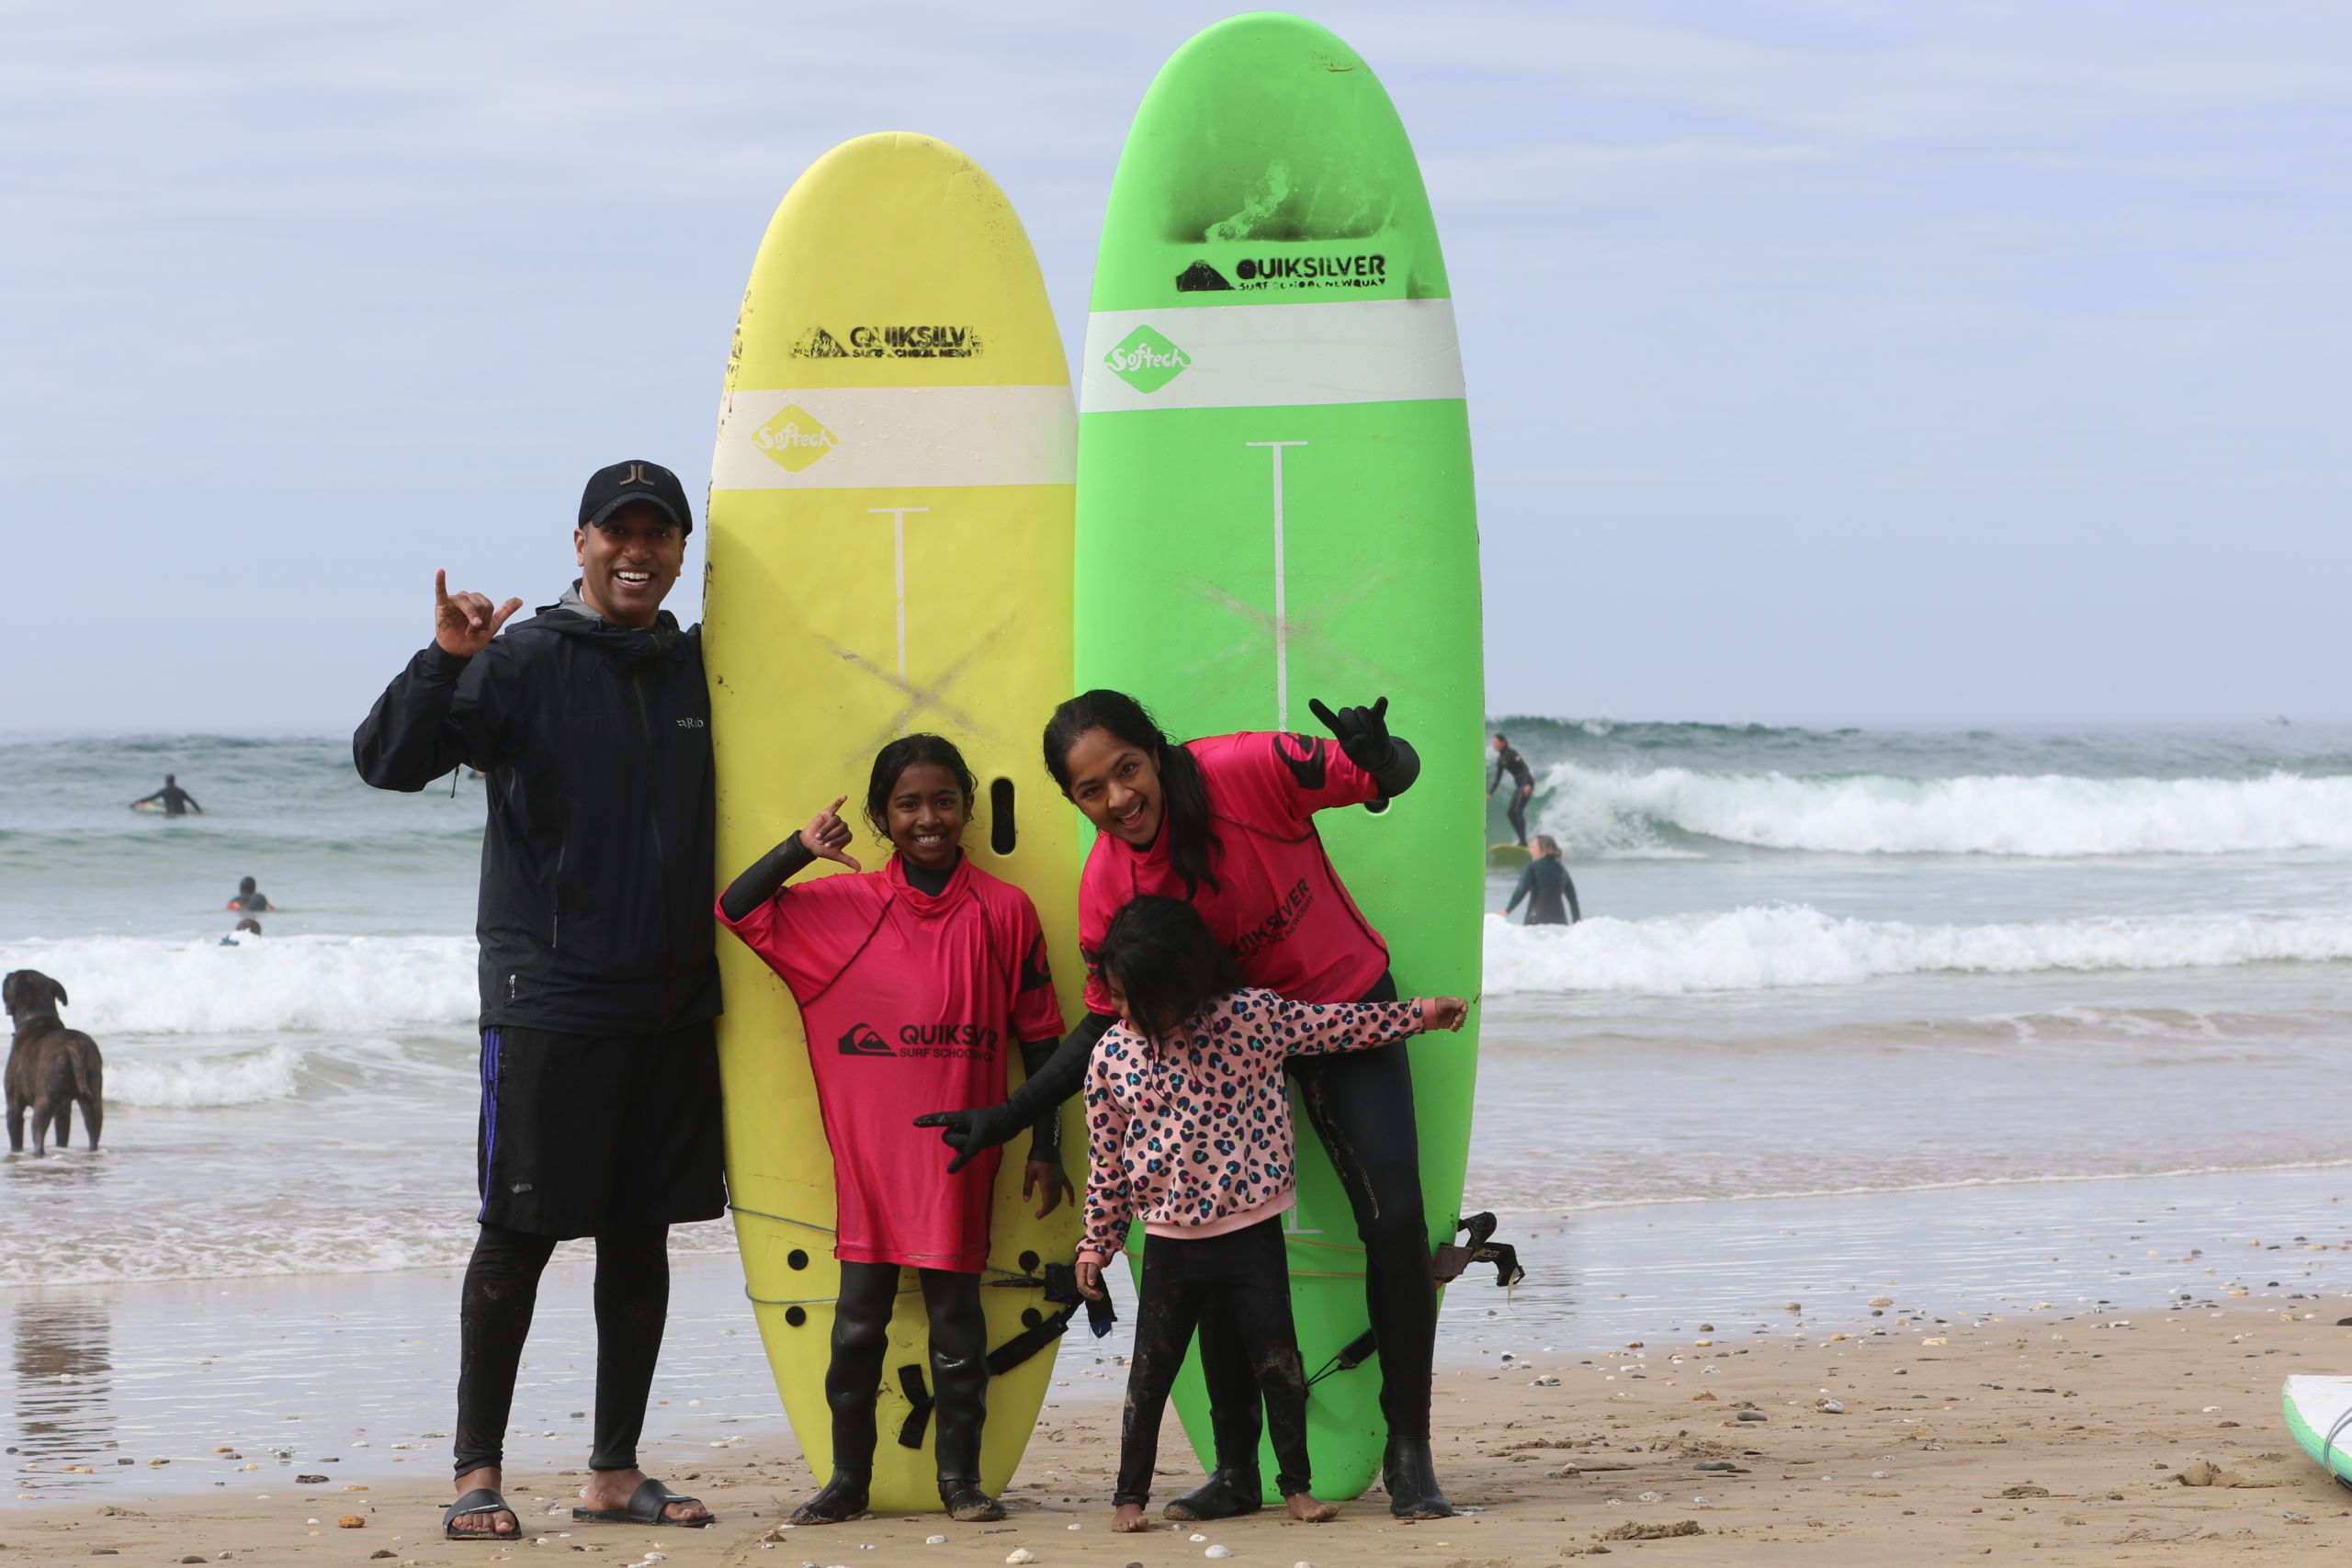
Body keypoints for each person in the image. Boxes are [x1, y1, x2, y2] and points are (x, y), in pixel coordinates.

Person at [916, 690, 1464, 1519]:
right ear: (1074, 800)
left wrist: (1379, 755)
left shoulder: (1247, 769)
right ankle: (1238, 1469)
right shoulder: (1105, 885)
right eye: (1091, 791)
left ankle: (1409, 1445)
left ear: (1156, 751)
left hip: (1339, 997)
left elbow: (1399, 775)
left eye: (1127, 770)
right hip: (1214, 1049)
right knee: (1207, 1234)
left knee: (1392, 1220)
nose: (1119, 799)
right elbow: (1104, 1031)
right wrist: (1008, 1115)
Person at [352, 459, 721, 1542]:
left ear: (681, 553)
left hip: (673, 997)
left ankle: (613, 1475)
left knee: (641, 1235)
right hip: (551, 994)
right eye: (619, 532)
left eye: (659, 534)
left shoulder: (699, 667)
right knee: (519, 1230)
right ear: (581, 543)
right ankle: (476, 1474)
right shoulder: (522, 661)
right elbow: (388, 762)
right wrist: (443, 661)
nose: (638, 551)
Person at [717, 736, 1069, 1526]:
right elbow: (738, 907)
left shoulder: (1005, 911)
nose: (929, 818)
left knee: (956, 1322)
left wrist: (1045, 1144)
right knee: (857, 1327)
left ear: (968, 807)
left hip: (959, 1155)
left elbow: (1042, 1039)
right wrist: (799, 850)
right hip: (871, 1162)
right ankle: (848, 1481)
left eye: (944, 800)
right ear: (881, 817)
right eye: (908, 804)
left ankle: (962, 1481)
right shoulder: (845, 910)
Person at [1074, 896, 1468, 1533]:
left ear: (1182, 984)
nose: (1121, 1013)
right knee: (1149, 1377)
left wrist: (1421, 1015)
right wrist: (1097, 1242)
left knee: (1279, 1368)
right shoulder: (1111, 1057)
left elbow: (1336, 1026)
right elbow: (1105, 1162)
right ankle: (1130, 1497)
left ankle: (1297, 1489)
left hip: (1252, 1232)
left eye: (1133, 1000)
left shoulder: (1250, 1018)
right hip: (1171, 1241)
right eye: (1115, 997)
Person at [1505, 834, 1580, 926]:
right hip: (1560, 923)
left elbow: (1521, 890)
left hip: (1535, 921)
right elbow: (1573, 899)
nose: (1530, 851)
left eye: (1533, 847)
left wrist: (1507, 910)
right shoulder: (1562, 869)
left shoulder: (1532, 867)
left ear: (1544, 850)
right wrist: (1577, 921)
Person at [1487, 734, 1532, 847]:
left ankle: (1523, 842)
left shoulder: (1512, 753)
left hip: (1526, 783)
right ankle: (1522, 841)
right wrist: (1490, 793)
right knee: (1510, 813)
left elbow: (1524, 768)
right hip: (1519, 785)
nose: (1494, 745)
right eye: (1493, 743)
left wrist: (1527, 784)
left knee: (1517, 811)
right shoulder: (1501, 759)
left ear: (1503, 742)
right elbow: (1498, 778)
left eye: (1496, 742)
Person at [131, 774, 201, 817]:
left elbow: (151, 798)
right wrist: (200, 811)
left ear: (166, 781)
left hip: (170, 814)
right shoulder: (180, 791)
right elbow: (192, 801)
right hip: (182, 814)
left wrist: (137, 801)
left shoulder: (164, 791)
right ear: (174, 781)